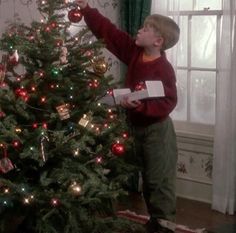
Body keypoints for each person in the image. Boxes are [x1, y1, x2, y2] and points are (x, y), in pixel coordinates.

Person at [75, 1, 179, 233]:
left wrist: (141, 108)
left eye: (144, 29)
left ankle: (163, 224)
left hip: (157, 130)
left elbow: (168, 102)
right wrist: (87, 9)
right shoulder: (134, 51)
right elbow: (109, 32)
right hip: (133, 127)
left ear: (158, 41)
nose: (138, 31)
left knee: (158, 179)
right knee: (141, 173)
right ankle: (151, 220)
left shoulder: (163, 69)